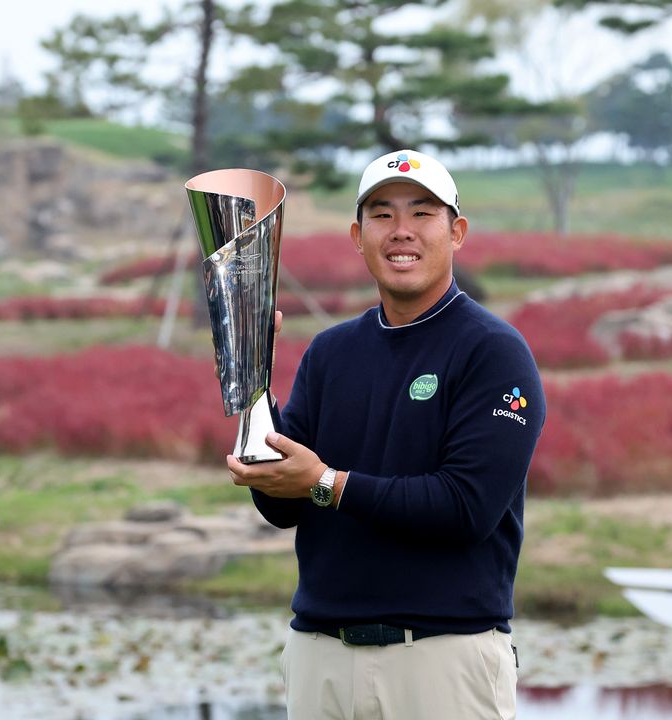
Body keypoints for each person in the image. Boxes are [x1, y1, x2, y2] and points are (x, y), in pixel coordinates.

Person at [227, 149, 545, 720]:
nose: (401, 232)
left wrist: (326, 483)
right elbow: (279, 505)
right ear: (357, 234)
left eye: (422, 214)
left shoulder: (492, 352)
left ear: (457, 231)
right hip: (320, 656)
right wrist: (251, 376)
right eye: (381, 215)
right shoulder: (330, 352)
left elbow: (467, 508)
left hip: (441, 660)